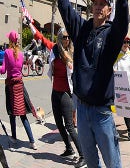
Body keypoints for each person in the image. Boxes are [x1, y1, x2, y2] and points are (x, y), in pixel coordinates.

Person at [57, 0, 129, 168]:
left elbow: (123, 21)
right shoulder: (81, 29)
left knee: (112, 164)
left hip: (102, 114)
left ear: (108, 11)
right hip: (82, 108)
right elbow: (64, 7)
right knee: (91, 163)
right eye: (95, 3)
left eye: (103, 4)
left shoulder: (112, 35)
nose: (98, 7)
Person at [47, 28, 85, 167]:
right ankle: (69, 149)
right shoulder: (55, 51)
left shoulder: (72, 53)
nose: (67, 40)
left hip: (66, 93)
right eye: (64, 37)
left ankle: (83, 155)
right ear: (59, 37)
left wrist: (72, 65)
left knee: (69, 125)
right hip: (55, 92)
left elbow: (78, 71)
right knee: (59, 124)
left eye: (68, 37)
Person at [1, 31, 38, 150]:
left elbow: (3, 70)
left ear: (10, 41)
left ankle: (14, 138)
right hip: (20, 86)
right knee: (22, 115)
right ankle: (32, 141)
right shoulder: (21, 54)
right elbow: (20, 69)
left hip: (11, 86)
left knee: (12, 113)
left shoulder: (7, 52)